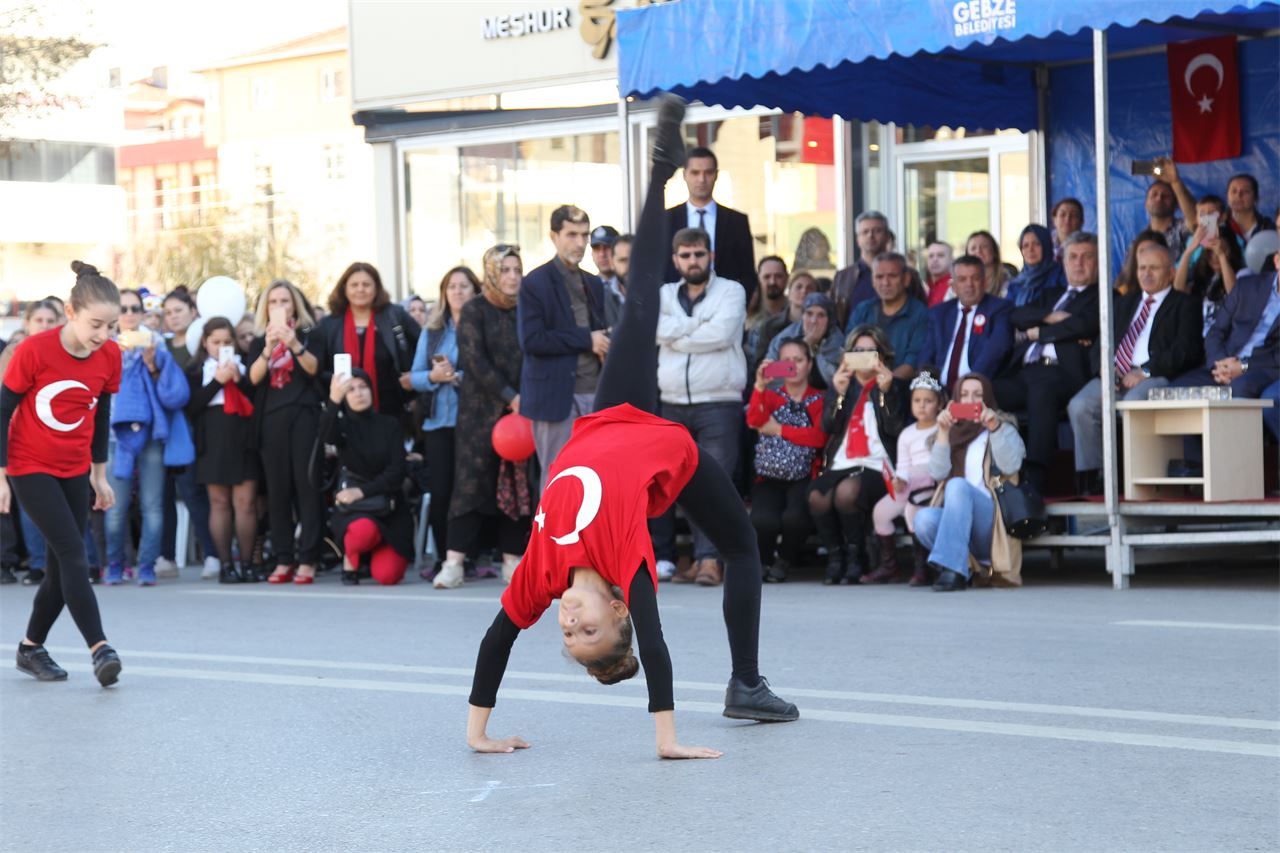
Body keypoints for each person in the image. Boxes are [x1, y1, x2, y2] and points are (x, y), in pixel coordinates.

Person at [466, 98, 797, 761]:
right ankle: (746, 681)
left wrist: (478, 732)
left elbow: (498, 638)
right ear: (618, 611)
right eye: (587, 631)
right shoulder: (625, 561)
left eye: (567, 636)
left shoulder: (544, 573)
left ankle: (657, 175)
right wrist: (667, 739)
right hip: (672, 452)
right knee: (742, 546)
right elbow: (656, 641)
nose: (569, 624)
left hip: (606, 417)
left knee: (639, 299)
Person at [0, 261, 124, 685]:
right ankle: (100, 647)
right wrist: (1, 476)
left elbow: (101, 415)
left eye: (111, 326)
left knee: (60, 566)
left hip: (74, 466)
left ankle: (30, 648)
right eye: (95, 324)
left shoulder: (109, 355)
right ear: (70, 313)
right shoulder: (34, 351)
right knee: (74, 552)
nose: (103, 335)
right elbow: (2, 410)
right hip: (29, 464)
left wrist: (99, 474)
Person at [652, 225, 748, 586]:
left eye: (699, 254)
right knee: (681, 486)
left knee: (714, 483)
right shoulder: (663, 294)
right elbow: (654, 329)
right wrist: (697, 327)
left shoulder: (732, 291)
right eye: (686, 255)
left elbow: (721, 334)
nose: (693, 261)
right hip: (672, 402)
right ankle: (699, 557)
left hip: (718, 402)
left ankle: (710, 560)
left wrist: (677, 331)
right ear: (675, 260)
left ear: (711, 256)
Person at [1067, 243, 1203, 495]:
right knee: (1080, 406)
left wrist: (1145, 372)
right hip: (1115, 373)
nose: (1146, 274)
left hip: (1155, 375)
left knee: (1132, 404)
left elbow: (1187, 350)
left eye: (1154, 268)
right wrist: (1104, 369)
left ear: (1171, 273)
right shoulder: (1123, 303)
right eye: (1142, 268)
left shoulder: (1185, 304)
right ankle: (1096, 478)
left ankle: (1135, 477)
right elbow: (1100, 343)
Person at [435, 245, 531, 590]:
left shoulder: (528, 308)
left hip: (520, 413)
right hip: (479, 413)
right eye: (505, 270)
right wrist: (510, 396)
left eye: (517, 270)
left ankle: (512, 561)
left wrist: (524, 398)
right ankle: (454, 563)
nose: (512, 277)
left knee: (515, 483)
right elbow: (475, 360)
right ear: (491, 272)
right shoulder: (475, 309)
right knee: (470, 485)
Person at [995, 231, 1101, 493]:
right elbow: (1017, 315)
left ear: (1098, 262)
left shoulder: (1104, 296)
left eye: (1087, 257)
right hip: (1025, 371)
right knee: (985, 390)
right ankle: (985, 471)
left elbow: (1084, 325)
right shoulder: (1051, 295)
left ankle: (1035, 479)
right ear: (1063, 262)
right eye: (1073, 257)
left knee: (1043, 391)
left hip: (1063, 374)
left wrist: (1038, 332)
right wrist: (1051, 318)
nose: (1079, 263)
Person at [103, 288, 192, 586]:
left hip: (151, 432)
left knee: (152, 505)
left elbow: (171, 393)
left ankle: (146, 565)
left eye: (134, 308)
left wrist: (153, 364)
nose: (129, 314)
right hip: (115, 434)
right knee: (115, 507)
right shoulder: (104, 344)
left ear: (142, 313)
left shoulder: (156, 343)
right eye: (123, 309)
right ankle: (115, 563)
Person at [808, 325, 909, 585]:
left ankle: (857, 556)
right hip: (844, 461)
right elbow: (828, 427)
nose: (864, 356)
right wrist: (839, 395)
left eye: (870, 351)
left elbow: (896, 429)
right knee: (817, 496)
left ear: (882, 356)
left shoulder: (895, 385)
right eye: (858, 351)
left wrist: (887, 393)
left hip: (878, 464)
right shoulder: (842, 384)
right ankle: (836, 556)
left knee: (847, 493)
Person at [517, 205, 609, 489]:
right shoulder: (535, 282)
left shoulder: (594, 282)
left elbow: (599, 330)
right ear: (554, 236)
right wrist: (586, 340)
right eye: (571, 235)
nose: (580, 243)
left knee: (595, 479)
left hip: (594, 392)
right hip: (555, 397)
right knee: (558, 479)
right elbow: (532, 339)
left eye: (584, 235)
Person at [914, 372, 1027, 592]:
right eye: (964, 395)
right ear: (956, 399)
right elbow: (938, 473)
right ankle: (961, 566)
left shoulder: (1003, 426)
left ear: (987, 399)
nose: (970, 400)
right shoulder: (948, 430)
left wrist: (994, 427)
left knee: (957, 485)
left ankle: (952, 570)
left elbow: (1011, 466)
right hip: (957, 519)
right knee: (923, 520)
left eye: (978, 395)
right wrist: (943, 433)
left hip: (991, 520)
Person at [245, 279, 323, 584]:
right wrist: (268, 348)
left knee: (307, 488)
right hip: (270, 421)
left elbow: (314, 368)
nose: (279, 307)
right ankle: (283, 558)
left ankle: (309, 558)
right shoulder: (258, 341)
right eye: (273, 302)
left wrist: (293, 344)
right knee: (277, 493)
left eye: (285, 301)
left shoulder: (310, 334)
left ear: (295, 305)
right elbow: (253, 379)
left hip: (304, 417)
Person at [405, 266, 479, 580]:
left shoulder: (481, 326)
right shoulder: (433, 330)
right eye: (452, 286)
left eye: (464, 286)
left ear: (475, 291)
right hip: (437, 423)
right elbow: (414, 376)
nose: (458, 292)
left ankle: (468, 556)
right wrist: (435, 377)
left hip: (473, 422)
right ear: (444, 293)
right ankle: (442, 559)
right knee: (441, 491)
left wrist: (461, 378)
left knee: (470, 490)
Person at [321, 369, 414, 585]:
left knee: (387, 576)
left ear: (372, 390)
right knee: (363, 531)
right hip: (356, 511)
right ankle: (352, 561)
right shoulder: (342, 426)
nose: (358, 393)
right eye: (351, 389)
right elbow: (325, 434)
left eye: (363, 387)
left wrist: (361, 492)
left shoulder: (389, 424)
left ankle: (371, 556)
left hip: (389, 508)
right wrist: (334, 399)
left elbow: (397, 472)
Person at [186, 317, 260, 584]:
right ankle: (226, 565)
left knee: (246, 503)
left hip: (244, 437)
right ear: (205, 343)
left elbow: (257, 399)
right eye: (215, 342)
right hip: (212, 439)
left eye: (227, 342)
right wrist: (218, 381)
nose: (221, 347)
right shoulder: (196, 370)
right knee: (219, 503)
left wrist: (238, 380)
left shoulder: (247, 366)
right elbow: (191, 407)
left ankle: (248, 564)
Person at [746, 338, 824, 584]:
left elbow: (818, 437)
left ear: (809, 364)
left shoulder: (820, 399)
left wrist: (779, 430)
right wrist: (759, 386)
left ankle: (785, 560)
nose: (793, 366)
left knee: (795, 518)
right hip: (769, 476)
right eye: (786, 361)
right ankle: (764, 561)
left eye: (798, 360)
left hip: (804, 475)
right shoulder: (771, 396)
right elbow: (754, 421)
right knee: (762, 520)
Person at [0, 301, 63, 586]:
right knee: (30, 504)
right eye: (39, 320)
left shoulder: (66, 350)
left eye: (50, 320)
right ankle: (38, 563)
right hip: (23, 437)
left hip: (57, 436)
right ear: (27, 323)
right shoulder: (14, 352)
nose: (44, 325)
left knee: (61, 503)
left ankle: (61, 562)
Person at [314, 262, 421, 418]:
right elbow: (319, 369)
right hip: (344, 414)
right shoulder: (329, 325)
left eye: (366, 284)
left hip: (392, 411)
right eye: (354, 285)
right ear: (344, 289)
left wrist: (415, 377)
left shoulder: (395, 315)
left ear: (376, 288)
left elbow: (424, 347)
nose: (360, 289)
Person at [867, 371, 943, 586]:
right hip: (909, 485)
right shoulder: (907, 434)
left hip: (930, 487)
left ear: (939, 404)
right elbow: (903, 466)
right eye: (917, 401)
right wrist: (898, 480)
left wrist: (910, 478)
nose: (922, 406)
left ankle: (923, 568)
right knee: (881, 512)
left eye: (928, 401)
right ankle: (889, 565)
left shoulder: (942, 428)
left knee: (912, 509)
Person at [661, 146, 758, 305]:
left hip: (725, 306)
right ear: (684, 175)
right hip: (676, 307)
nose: (702, 179)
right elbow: (659, 269)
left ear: (716, 175)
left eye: (708, 172)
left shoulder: (736, 221)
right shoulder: (666, 220)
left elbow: (748, 273)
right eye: (695, 173)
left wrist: (736, 305)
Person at [918, 255, 1014, 395]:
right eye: (962, 279)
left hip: (977, 391)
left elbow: (995, 351)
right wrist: (925, 386)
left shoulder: (1000, 309)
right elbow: (926, 357)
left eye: (975, 278)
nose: (969, 284)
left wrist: (966, 389)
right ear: (953, 286)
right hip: (940, 392)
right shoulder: (939, 313)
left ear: (985, 282)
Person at [846, 252, 929, 380]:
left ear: (906, 279)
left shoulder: (920, 314)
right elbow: (849, 353)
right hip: (862, 386)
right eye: (879, 277)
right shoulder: (862, 310)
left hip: (902, 388)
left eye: (892, 276)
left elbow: (913, 363)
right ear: (872, 281)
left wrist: (886, 384)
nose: (885, 283)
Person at [1175, 218, 1248, 335]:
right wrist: (1189, 251)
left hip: (1225, 336)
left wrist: (1222, 256)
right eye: (1210, 252)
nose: (1214, 256)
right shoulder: (1202, 275)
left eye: (1221, 249)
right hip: (1197, 336)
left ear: (1232, 250)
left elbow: (1234, 294)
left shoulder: (1244, 273)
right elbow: (1178, 290)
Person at [763, 291, 842, 387]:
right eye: (809, 314)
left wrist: (815, 352)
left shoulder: (837, 341)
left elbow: (835, 381)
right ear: (802, 316)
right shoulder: (785, 337)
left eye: (821, 315)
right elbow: (769, 374)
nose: (814, 321)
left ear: (829, 319)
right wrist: (805, 346)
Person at [831, 211, 891, 329]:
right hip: (853, 339)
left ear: (887, 236)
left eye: (877, 231)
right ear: (857, 239)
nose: (870, 235)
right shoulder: (843, 278)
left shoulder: (906, 274)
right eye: (865, 232)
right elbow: (835, 320)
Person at [753, 270, 816, 367]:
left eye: (809, 288)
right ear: (789, 293)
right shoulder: (770, 326)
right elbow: (760, 364)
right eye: (799, 287)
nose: (804, 291)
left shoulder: (823, 326)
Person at [1142, 158, 1199, 260]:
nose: (1159, 198)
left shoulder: (1182, 228)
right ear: (1145, 203)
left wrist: (1175, 182)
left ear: (1176, 204)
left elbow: (1196, 220)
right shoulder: (1140, 240)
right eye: (1154, 195)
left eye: (1166, 196)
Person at [1005, 224, 1067, 308]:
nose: (1030, 250)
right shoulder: (1015, 284)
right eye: (1025, 246)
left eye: (1037, 244)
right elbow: (1007, 311)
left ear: (1046, 246)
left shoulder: (1060, 275)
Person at [1115, 229, 1169, 296]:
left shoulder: (1175, 294)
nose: (1146, 258)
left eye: (1152, 252)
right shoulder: (1123, 293)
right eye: (1142, 252)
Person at [1225, 173, 1276, 244]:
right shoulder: (1219, 227)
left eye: (1246, 191)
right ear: (1227, 196)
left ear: (1255, 197)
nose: (1238, 195)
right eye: (1234, 191)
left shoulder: (1268, 228)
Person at [966, 231, 1012, 298]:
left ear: (994, 251)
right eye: (973, 248)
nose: (978, 251)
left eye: (984, 246)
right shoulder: (960, 282)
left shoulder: (1007, 281)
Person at [603, 233, 633, 328]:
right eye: (623, 260)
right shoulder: (600, 298)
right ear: (612, 263)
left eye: (634, 260)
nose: (629, 266)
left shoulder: (661, 293)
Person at [590, 224, 620, 291]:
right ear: (592, 254)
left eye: (607, 247)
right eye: (597, 249)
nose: (602, 254)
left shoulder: (631, 286)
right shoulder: (585, 288)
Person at [924, 241, 954, 307]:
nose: (935, 259)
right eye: (931, 256)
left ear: (951, 259)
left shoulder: (955, 288)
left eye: (940, 255)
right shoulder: (922, 287)